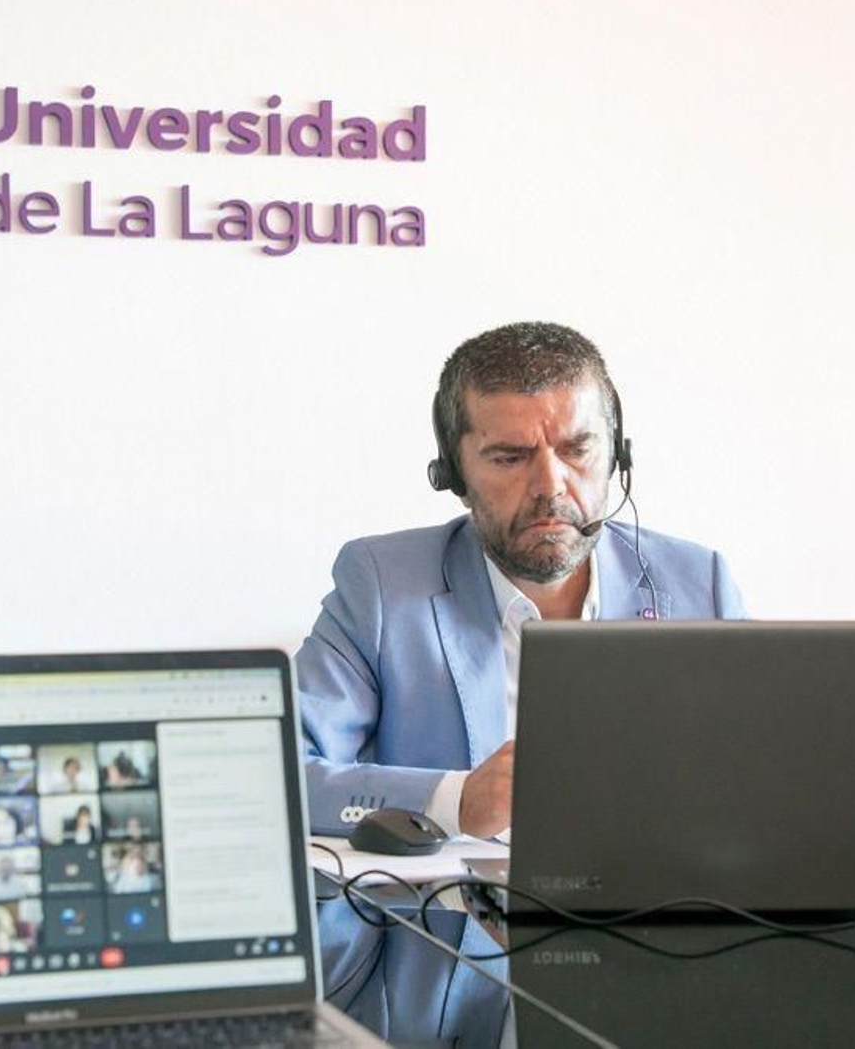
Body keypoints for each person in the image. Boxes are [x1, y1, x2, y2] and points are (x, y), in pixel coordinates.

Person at [298, 323, 746, 839]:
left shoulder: (697, 583)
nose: (550, 487)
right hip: (453, 917)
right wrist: (455, 801)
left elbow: (764, 777)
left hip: (655, 912)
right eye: (510, 458)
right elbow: (284, 776)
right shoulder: (382, 586)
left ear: (618, 458)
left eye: (578, 450)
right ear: (454, 476)